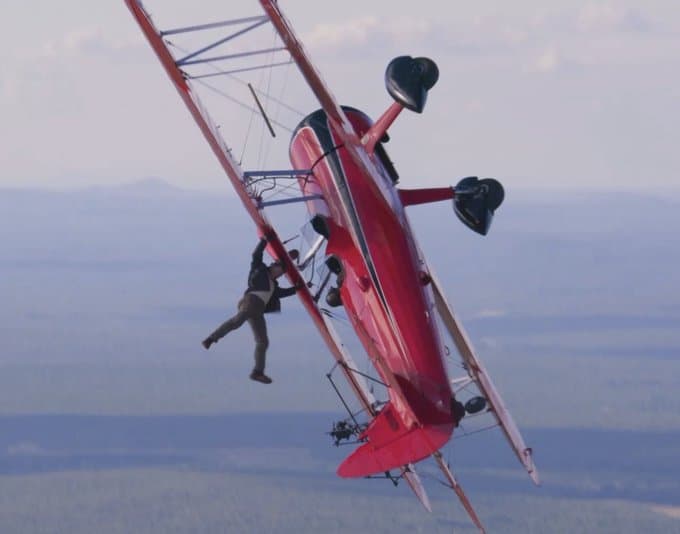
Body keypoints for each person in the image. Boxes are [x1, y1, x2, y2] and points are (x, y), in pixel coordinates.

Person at [201, 236, 299, 384]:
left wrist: (299, 288)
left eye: (282, 272)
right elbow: (256, 255)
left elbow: (284, 293)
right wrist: (264, 241)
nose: (280, 273)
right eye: (279, 268)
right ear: (273, 266)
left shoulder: (274, 286)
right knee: (237, 321)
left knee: (263, 342)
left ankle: (257, 372)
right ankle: (211, 339)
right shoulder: (259, 270)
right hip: (250, 301)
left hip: (258, 311)